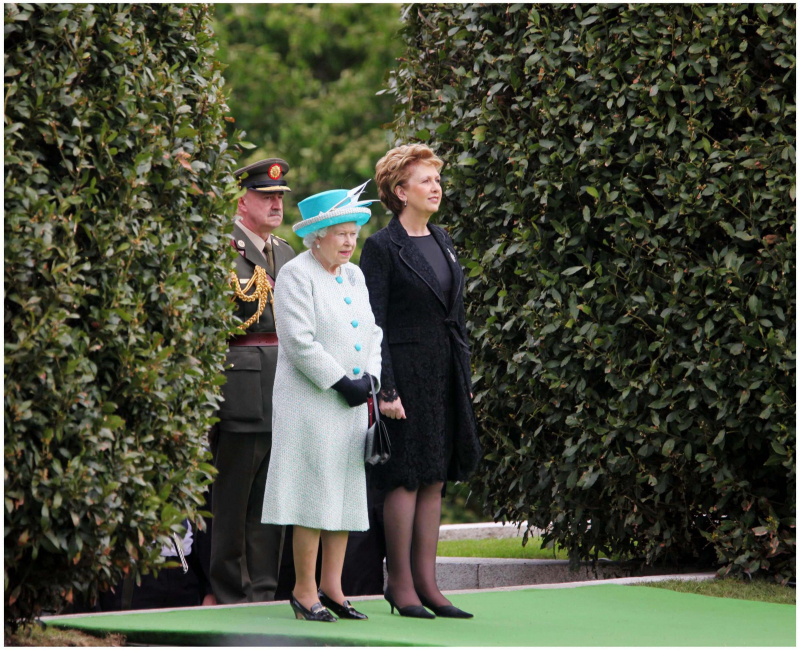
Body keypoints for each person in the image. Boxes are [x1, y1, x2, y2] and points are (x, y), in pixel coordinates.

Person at [360, 144, 482, 619]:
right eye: (426, 180)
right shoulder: (381, 247)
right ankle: (401, 585)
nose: (437, 187)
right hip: (404, 378)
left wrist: (463, 377)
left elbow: (457, 317)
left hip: (443, 374)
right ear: (399, 191)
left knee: (435, 477)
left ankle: (428, 585)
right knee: (405, 478)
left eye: (437, 179)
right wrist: (386, 389)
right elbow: (374, 323)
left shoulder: (443, 238)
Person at [261, 182, 382, 622]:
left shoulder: (354, 275)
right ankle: (304, 590)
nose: (350, 242)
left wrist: (371, 376)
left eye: (353, 233)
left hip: (350, 405)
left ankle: (333, 587)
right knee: (312, 496)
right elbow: (298, 341)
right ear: (318, 236)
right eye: (341, 234)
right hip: (310, 403)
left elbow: (373, 332)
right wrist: (340, 381)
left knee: (344, 496)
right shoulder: (297, 274)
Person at [210, 158, 296, 605]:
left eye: (279, 197)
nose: (276, 204)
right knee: (233, 500)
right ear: (242, 201)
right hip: (240, 388)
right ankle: (230, 593)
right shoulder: (222, 250)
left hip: (281, 387)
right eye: (266, 197)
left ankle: (263, 591)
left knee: (270, 500)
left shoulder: (285, 252)